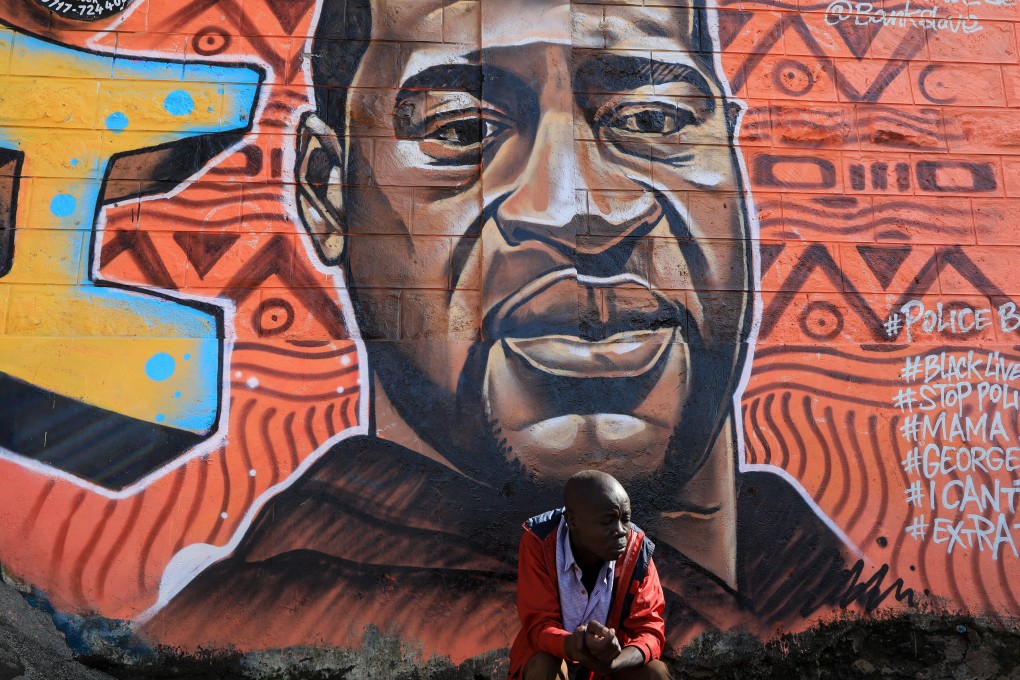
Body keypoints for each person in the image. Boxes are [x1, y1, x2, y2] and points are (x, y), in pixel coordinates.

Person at [145, 0, 858, 659]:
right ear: (328, 193)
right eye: (460, 132)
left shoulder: (812, 577)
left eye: (652, 120)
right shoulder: (281, 619)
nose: (580, 213)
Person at [511, 471, 669, 680]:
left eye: (626, 519)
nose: (621, 531)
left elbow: (650, 630)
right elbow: (539, 625)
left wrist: (615, 661)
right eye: (607, 522)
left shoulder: (637, 552)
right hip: (556, 658)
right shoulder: (540, 543)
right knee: (544, 665)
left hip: (609, 671)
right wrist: (576, 644)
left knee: (655, 673)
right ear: (572, 521)